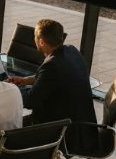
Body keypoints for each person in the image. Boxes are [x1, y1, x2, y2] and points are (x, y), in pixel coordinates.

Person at [7, 19, 96, 149]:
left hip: (62, 131)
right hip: (82, 125)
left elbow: (30, 101)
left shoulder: (51, 65)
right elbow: (54, 77)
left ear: (41, 41)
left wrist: (8, 90)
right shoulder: (71, 51)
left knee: (6, 130)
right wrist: (26, 80)